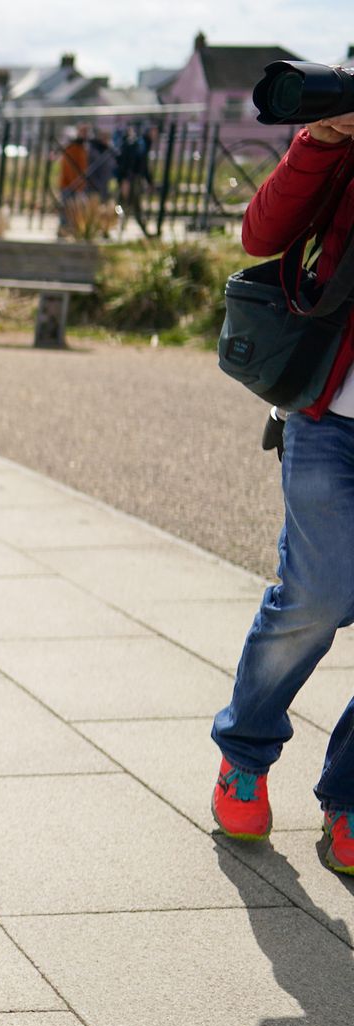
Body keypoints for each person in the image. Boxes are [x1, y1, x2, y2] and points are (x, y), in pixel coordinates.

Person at [210, 108, 354, 876]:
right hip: (332, 413)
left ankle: (350, 800)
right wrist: (323, 140)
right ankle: (245, 754)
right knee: (318, 597)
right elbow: (262, 237)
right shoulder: (344, 150)